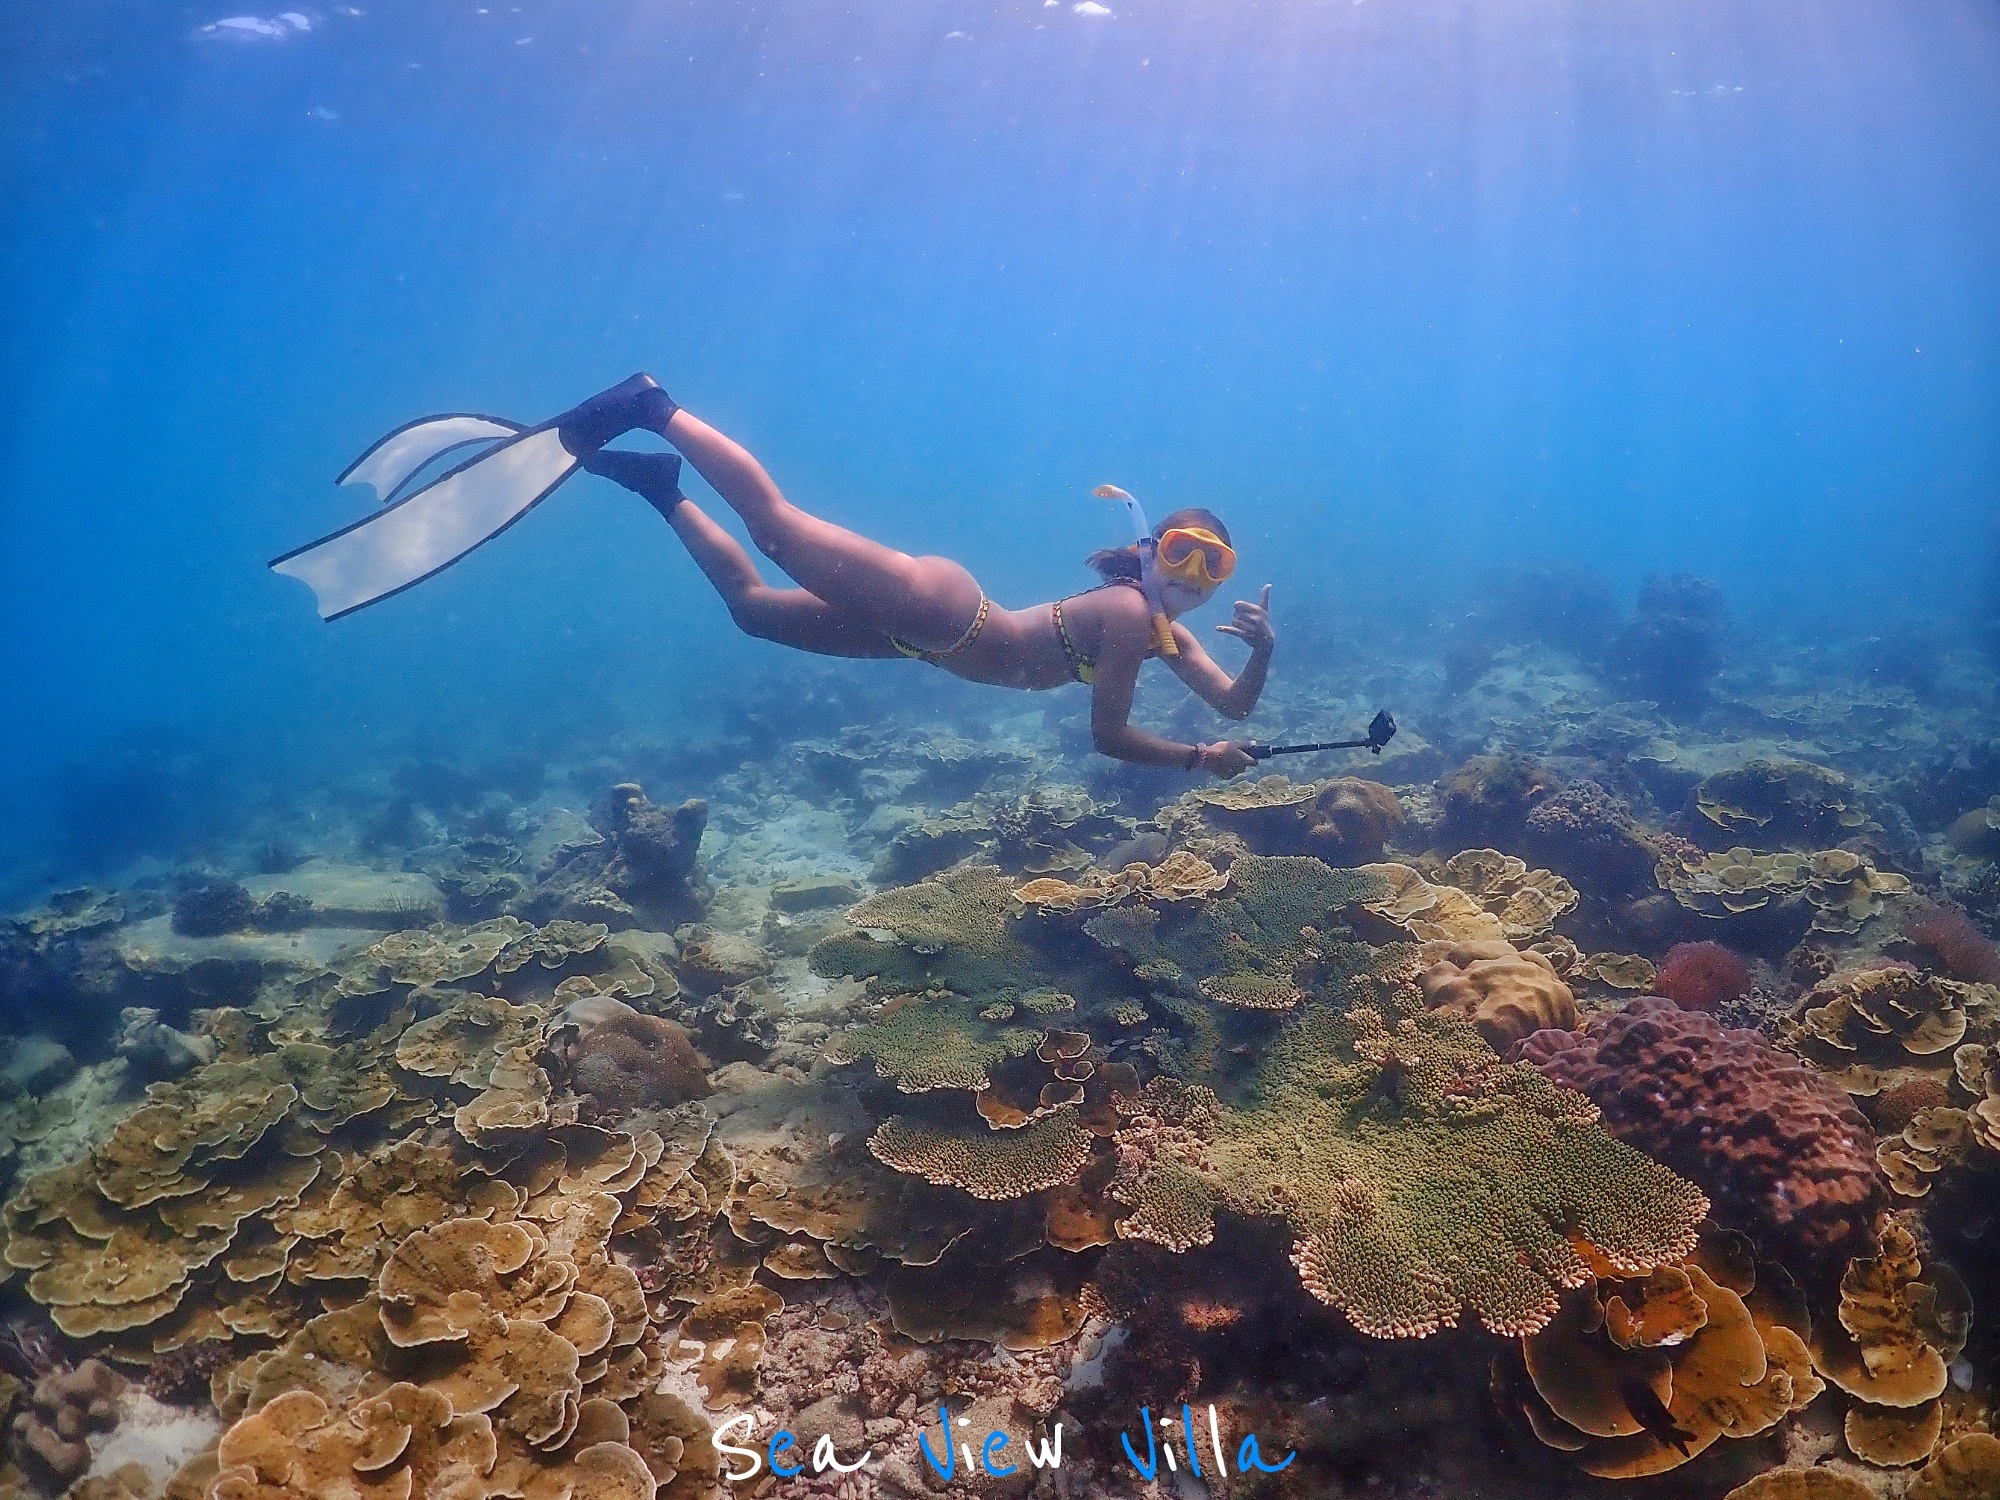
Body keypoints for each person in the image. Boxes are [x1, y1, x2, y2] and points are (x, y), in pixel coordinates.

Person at [576, 376, 1274, 777]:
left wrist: (1262, 652)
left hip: (927, 642)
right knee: (777, 530)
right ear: (1148, 550)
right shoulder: (1127, 618)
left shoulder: (1164, 635)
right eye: (1182, 551)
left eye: (1213, 563)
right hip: (947, 615)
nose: (1193, 573)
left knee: (753, 611)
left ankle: (661, 488)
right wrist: (1198, 759)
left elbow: (1233, 707)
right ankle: (653, 408)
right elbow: (1109, 736)